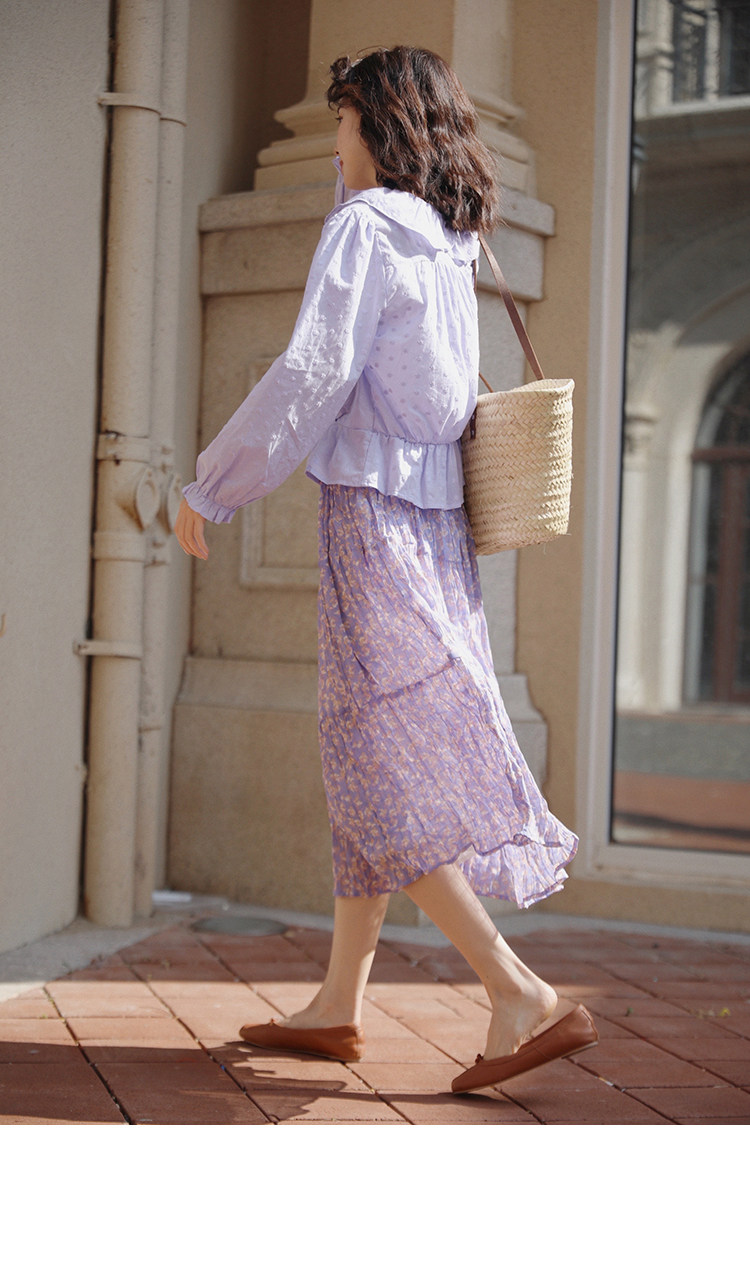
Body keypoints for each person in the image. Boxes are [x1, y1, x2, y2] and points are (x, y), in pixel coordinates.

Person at [175, 46, 597, 1093]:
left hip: (371, 520)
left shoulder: (367, 228)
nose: (334, 144)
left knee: (381, 763)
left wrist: (214, 484)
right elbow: (440, 397)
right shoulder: (447, 239)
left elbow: (313, 370)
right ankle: (337, 1003)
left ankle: (518, 989)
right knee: (367, 751)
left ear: (378, 126)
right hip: (437, 527)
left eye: (342, 122)